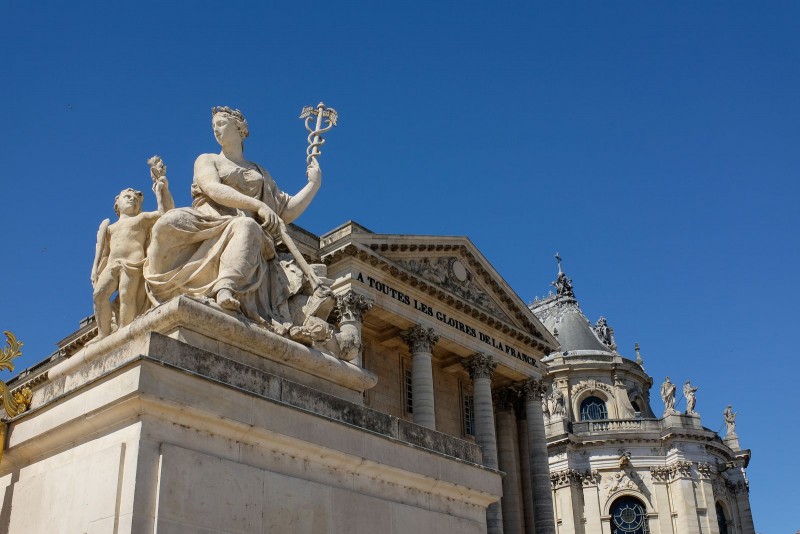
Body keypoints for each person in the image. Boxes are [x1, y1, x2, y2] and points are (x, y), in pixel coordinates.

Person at [144, 107, 326, 330]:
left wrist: (313, 184)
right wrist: (256, 204)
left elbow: (285, 211)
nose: (216, 130)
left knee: (246, 225)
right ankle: (160, 282)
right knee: (166, 223)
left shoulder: (259, 172)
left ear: (240, 129)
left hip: (245, 229)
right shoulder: (207, 159)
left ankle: (225, 287)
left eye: (221, 124)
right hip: (206, 219)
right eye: (213, 127)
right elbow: (212, 188)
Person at [91, 175, 173, 339]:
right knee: (99, 295)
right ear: (117, 204)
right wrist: (94, 268)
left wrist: (159, 192)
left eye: (135, 199)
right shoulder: (110, 228)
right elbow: (102, 251)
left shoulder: (141, 219)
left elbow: (165, 214)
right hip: (112, 263)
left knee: (126, 295)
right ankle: (103, 333)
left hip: (133, 262)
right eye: (127, 197)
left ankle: (124, 330)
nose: (132, 200)